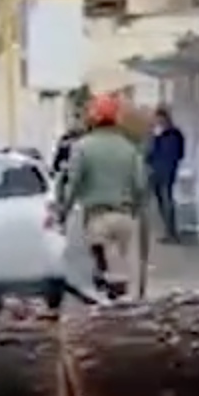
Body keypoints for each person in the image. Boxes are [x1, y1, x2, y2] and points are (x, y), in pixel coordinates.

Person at [56, 92, 150, 299]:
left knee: (103, 269)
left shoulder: (82, 147)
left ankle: (108, 297)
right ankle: (127, 300)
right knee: (126, 271)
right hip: (125, 216)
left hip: (96, 217)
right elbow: (140, 185)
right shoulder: (130, 148)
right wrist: (136, 209)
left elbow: (73, 183)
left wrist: (64, 211)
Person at [145, 107, 185, 243]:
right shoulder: (177, 134)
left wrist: (154, 139)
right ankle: (171, 232)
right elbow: (181, 153)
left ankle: (170, 233)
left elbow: (149, 154)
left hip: (158, 171)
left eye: (157, 118)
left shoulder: (158, 135)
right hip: (169, 170)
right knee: (166, 200)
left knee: (164, 201)